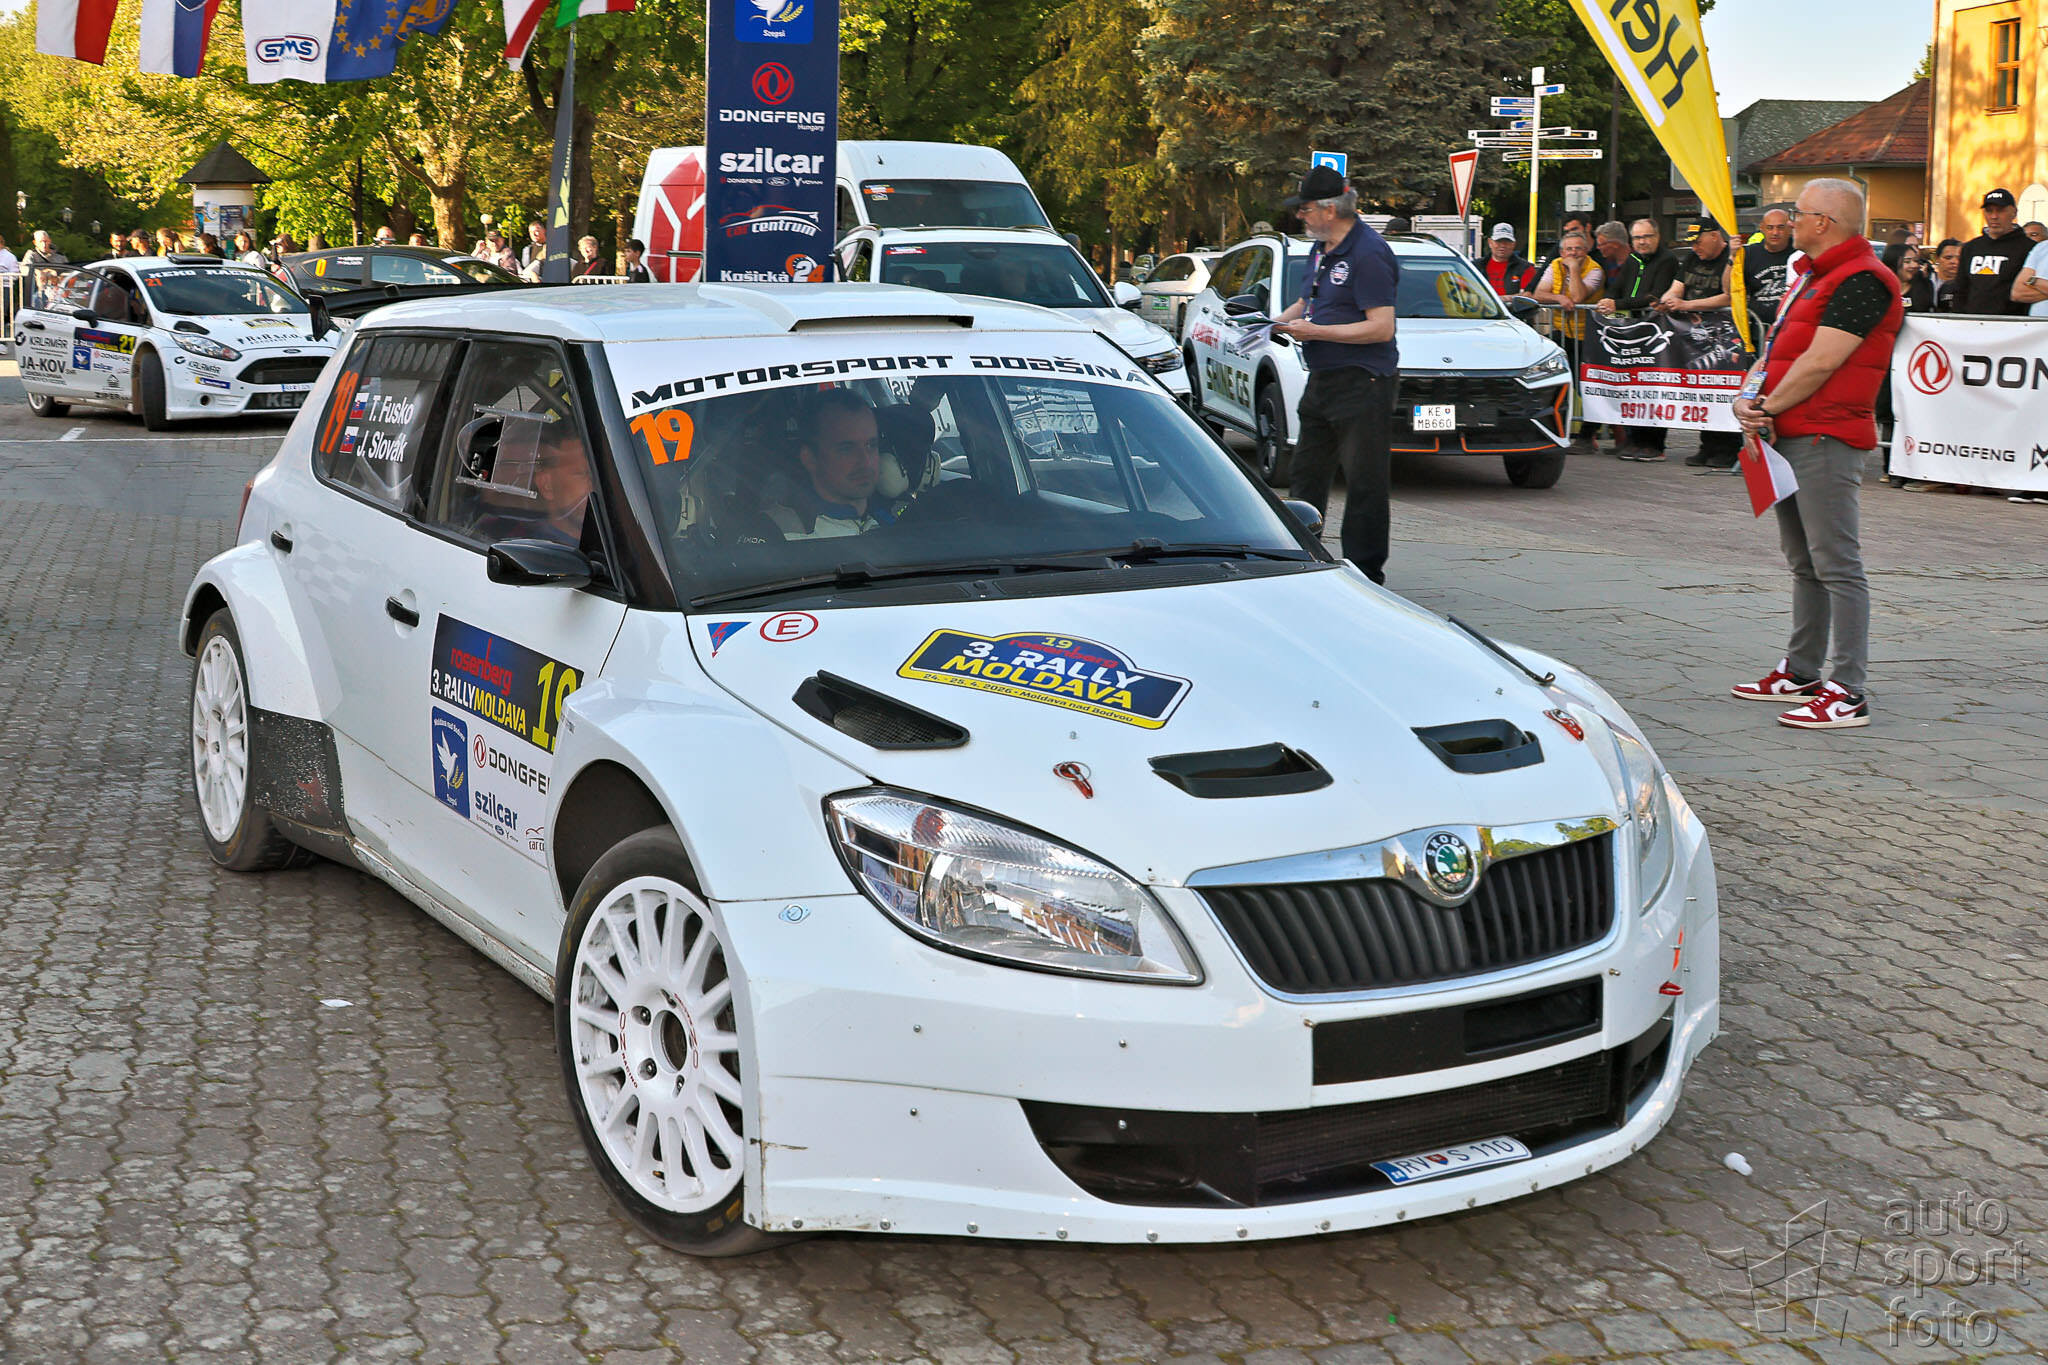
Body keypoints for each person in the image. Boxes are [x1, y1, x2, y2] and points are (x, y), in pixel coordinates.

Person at [1730, 178, 1902, 730]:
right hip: (1792, 432)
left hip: (1825, 436)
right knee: (1806, 562)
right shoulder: (1813, 275)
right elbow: (1780, 348)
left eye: (1797, 212)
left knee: (1836, 565)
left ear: (1824, 222)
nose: (1788, 221)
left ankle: (1848, 690)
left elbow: (1823, 360)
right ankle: (1802, 670)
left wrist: (1766, 407)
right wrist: (1750, 398)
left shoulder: (1863, 280)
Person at [1269, 165, 1400, 583]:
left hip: (1363, 382)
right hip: (1323, 378)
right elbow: (1305, 303)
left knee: (1364, 483)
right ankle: (1303, 563)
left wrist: (1316, 332)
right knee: (1305, 475)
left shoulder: (1368, 253)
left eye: (1305, 209)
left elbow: (1381, 327)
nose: (1300, 216)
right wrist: (1271, 324)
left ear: (1329, 209)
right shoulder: (1320, 249)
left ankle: (1365, 575)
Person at [1595, 218, 1679, 460]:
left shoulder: (1667, 260)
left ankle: (1655, 444)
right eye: (1638, 238)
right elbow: (1617, 287)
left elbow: (1654, 297)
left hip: (1654, 330)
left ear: (1658, 236)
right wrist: (1607, 300)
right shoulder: (1633, 260)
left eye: (1647, 236)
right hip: (1630, 330)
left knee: (1653, 387)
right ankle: (1634, 440)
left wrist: (1618, 304)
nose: (1642, 242)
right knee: (1632, 386)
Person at [1658, 225, 1741, 469]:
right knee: (1702, 392)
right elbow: (1676, 287)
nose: (1695, 248)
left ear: (1715, 236)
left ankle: (1727, 449)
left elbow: (1728, 296)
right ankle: (1707, 446)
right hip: (1696, 335)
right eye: (1692, 243)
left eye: (1699, 242)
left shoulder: (1731, 257)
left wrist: (1687, 305)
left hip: (1724, 335)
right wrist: (1667, 300)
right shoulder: (1692, 258)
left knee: (1722, 392)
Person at [766, 390, 898, 539]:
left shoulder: (901, 515)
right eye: (846, 449)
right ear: (810, 458)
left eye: (871, 445)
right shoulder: (782, 532)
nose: (865, 461)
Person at [1955, 189, 2033, 315]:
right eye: (1989, 211)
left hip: (2013, 323)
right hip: (1971, 322)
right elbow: (1960, 289)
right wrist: (1959, 318)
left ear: (2014, 212)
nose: (1994, 216)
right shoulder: (1970, 247)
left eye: (2000, 210)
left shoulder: (2029, 248)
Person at [1743, 208, 1800, 328]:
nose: (1775, 232)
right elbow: (1729, 289)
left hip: (1791, 324)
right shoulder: (1748, 253)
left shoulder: (1800, 251)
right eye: (1770, 228)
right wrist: (1732, 259)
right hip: (1758, 327)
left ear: (1790, 228)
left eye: (1780, 227)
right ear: (1762, 228)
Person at [1479, 223, 1537, 297]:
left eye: (1507, 242)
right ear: (1490, 242)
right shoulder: (1476, 266)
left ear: (1514, 244)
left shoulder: (1526, 268)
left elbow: (1528, 295)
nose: (1503, 245)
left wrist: (1501, 300)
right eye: (1498, 241)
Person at [1926, 237, 1962, 311]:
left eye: (1959, 258)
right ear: (1937, 258)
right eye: (1948, 257)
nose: (1954, 262)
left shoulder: (1969, 285)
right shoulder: (1925, 283)